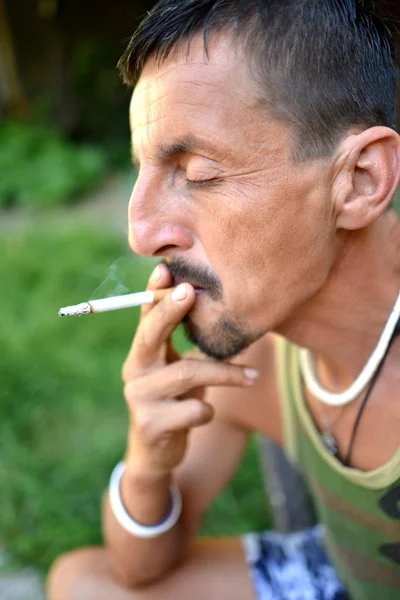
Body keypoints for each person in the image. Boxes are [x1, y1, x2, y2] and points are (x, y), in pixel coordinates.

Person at [47, 1, 400, 599]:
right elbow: (139, 569)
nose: (141, 233)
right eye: (142, 172)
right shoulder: (250, 363)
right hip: (347, 576)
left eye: (200, 173)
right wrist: (149, 455)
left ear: (360, 179)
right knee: (83, 584)